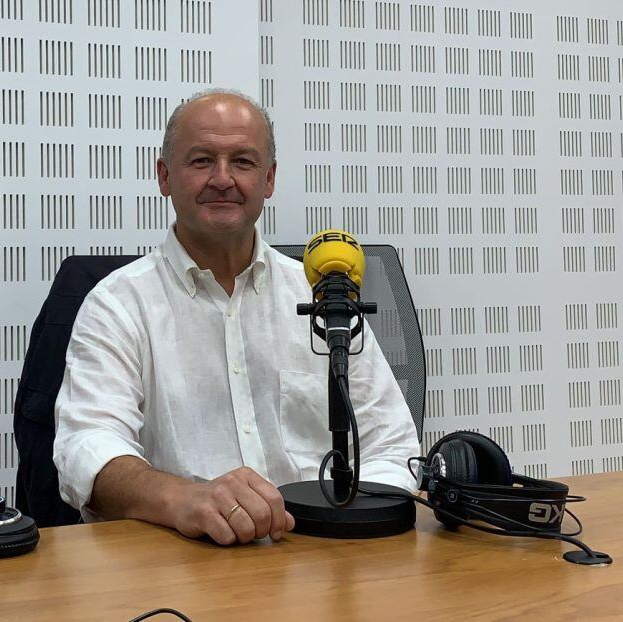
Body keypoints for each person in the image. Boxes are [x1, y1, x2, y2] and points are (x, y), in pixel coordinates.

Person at [53, 89, 419, 546]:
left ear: (269, 180)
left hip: (323, 562)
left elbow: (392, 446)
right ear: (164, 176)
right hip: (182, 564)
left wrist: (349, 526)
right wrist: (184, 499)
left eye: (243, 162)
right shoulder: (117, 304)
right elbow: (87, 449)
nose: (223, 179)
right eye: (202, 160)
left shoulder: (324, 294)